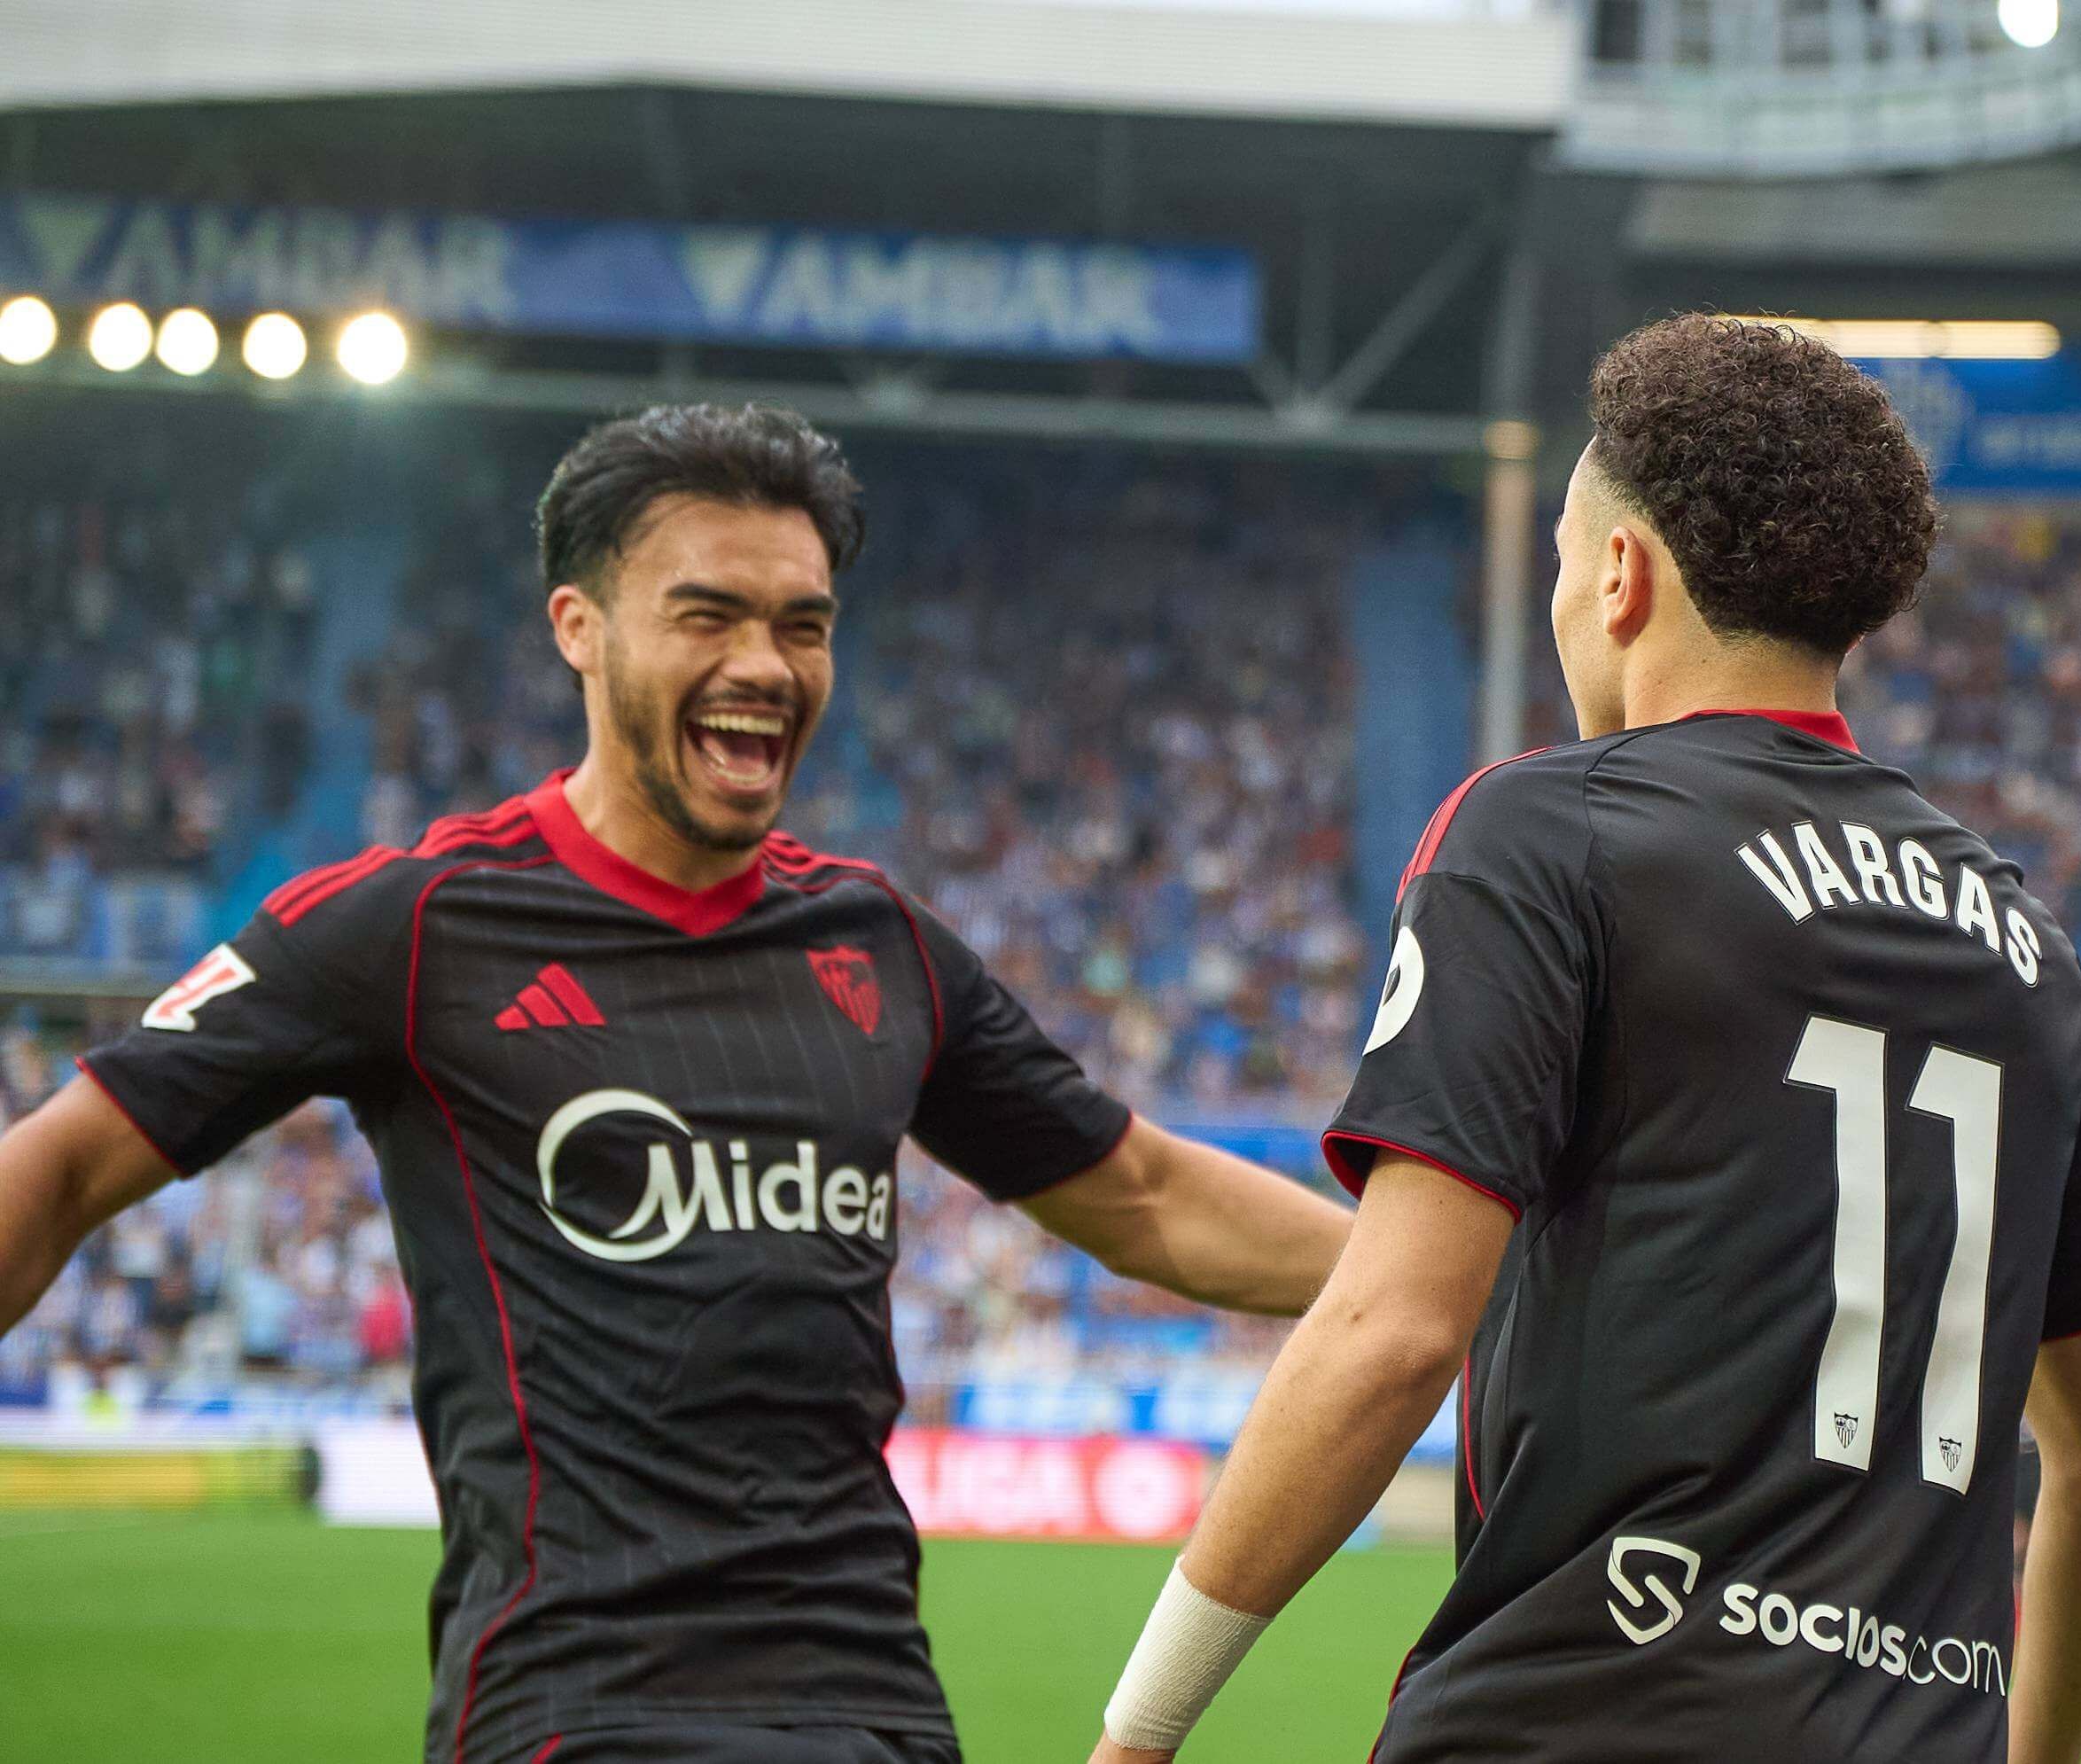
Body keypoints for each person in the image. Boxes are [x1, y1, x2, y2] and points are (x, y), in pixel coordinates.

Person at [0, 404, 1354, 1764]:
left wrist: (1453, 1279)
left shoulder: (879, 943)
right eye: (707, 615)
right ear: (578, 625)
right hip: (574, 1708)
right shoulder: (413, 925)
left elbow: (1147, 1194)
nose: (763, 664)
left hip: (877, 1714)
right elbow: (59, 1164)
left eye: (802, 624)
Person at [1087, 314, 2081, 1764]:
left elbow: (1395, 1328)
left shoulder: (1551, 831)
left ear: (1619, 575)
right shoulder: (2027, 946)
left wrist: (1137, 1731)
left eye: (1555, 563)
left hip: (1582, 1714)